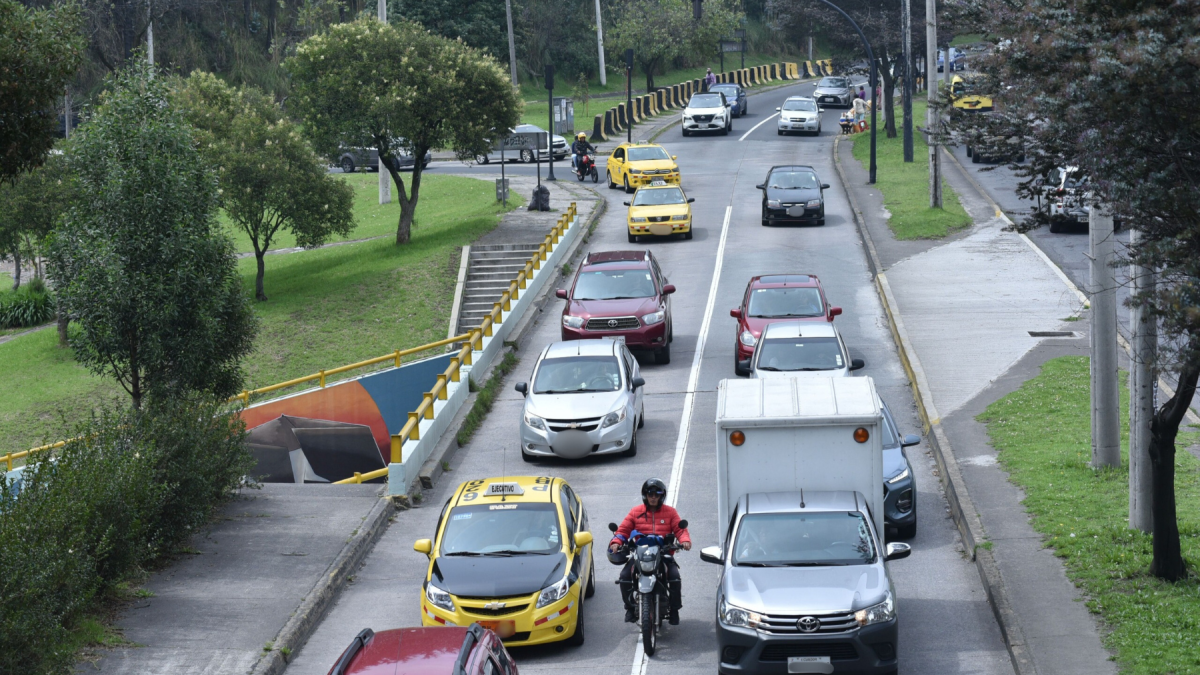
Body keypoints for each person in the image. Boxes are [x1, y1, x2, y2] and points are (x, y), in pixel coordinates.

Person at [609, 478, 691, 625]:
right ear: (645, 495)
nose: (653, 497)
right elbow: (623, 530)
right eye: (650, 494)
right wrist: (616, 542)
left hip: (663, 554)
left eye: (657, 494)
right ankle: (629, 608)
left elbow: (680, 530)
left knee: (674, 577)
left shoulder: (670, 512)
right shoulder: (635, 512)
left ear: (661, 496)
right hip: (640, 554)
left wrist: (684, 541)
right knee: (624, 576)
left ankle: (674, 610)